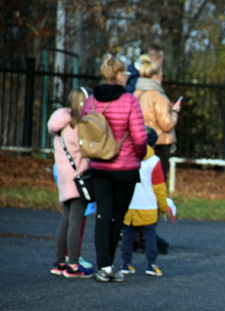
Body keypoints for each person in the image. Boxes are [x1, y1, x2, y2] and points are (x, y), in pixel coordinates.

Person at [83, 54, 148, 283]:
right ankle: (110, 265)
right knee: (117, 218)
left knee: (103, 215)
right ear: (119, 75)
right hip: (125, 167)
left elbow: (85, 131)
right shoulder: (130, 100)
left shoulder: (91, 100)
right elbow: (140, 138)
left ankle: (104, 266)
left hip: (99, 165)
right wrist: (138, 156)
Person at [48, 87, 94, 278]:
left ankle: (60, 262)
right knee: (76, 221)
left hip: (65, 177)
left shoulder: (59, 125)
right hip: (78, 177)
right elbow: (88, 151)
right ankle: (73, 265)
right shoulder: (78, 127)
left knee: (65, 220)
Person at [120, 126, 169, 277]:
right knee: (150, 236)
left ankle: (126, 264)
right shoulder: (154, 161)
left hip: (129, 204)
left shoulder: (128, 157)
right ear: (154, 144)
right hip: (148, 205)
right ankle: (151, 264)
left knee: (127, 236)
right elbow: (159, 188)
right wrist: (163, 206)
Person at [133, 53, 179, 184]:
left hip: (139, 141)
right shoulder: (158, 96)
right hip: (159, 144)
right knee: (158, 181)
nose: (162, 79)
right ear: (155, 77)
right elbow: (166, 124)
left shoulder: (135, 94)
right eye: (161, 76)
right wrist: (174, 112)